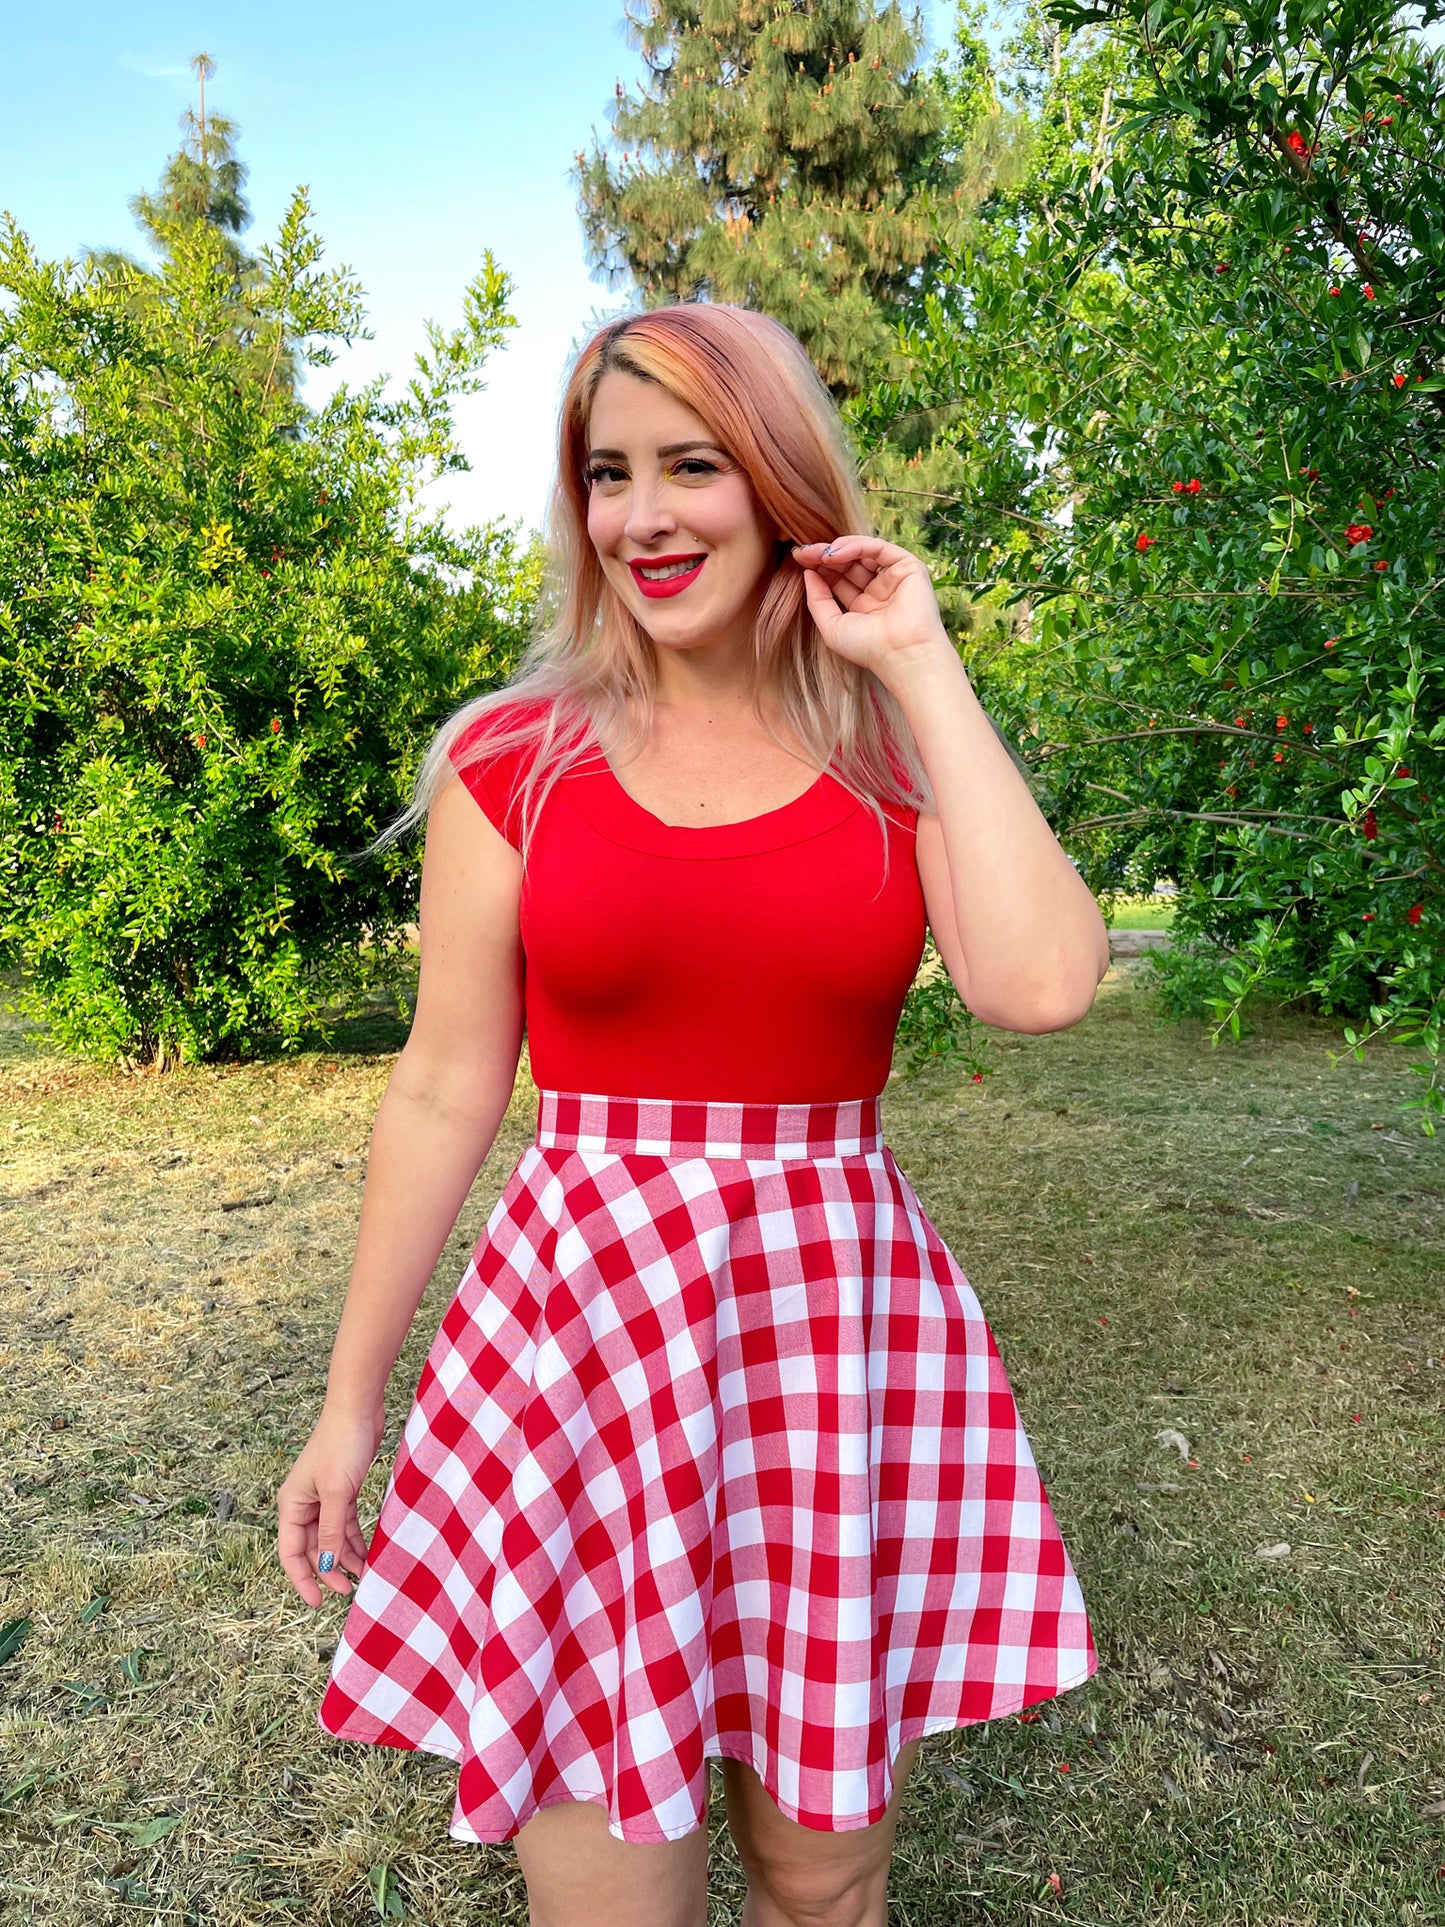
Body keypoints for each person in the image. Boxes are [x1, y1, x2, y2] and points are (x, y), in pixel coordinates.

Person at [276, 302, 1109, 1927]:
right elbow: (447, 1081)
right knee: (609, 1900)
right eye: (606, 475)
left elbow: (1041, 985)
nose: (642, 516)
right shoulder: (513, 760)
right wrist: (349, 1400)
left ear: (782, 482)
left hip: (827, 1349)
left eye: (692, 466)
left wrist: (920, 662)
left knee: (825, 1884)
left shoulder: (889, 743)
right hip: (579, 1355)